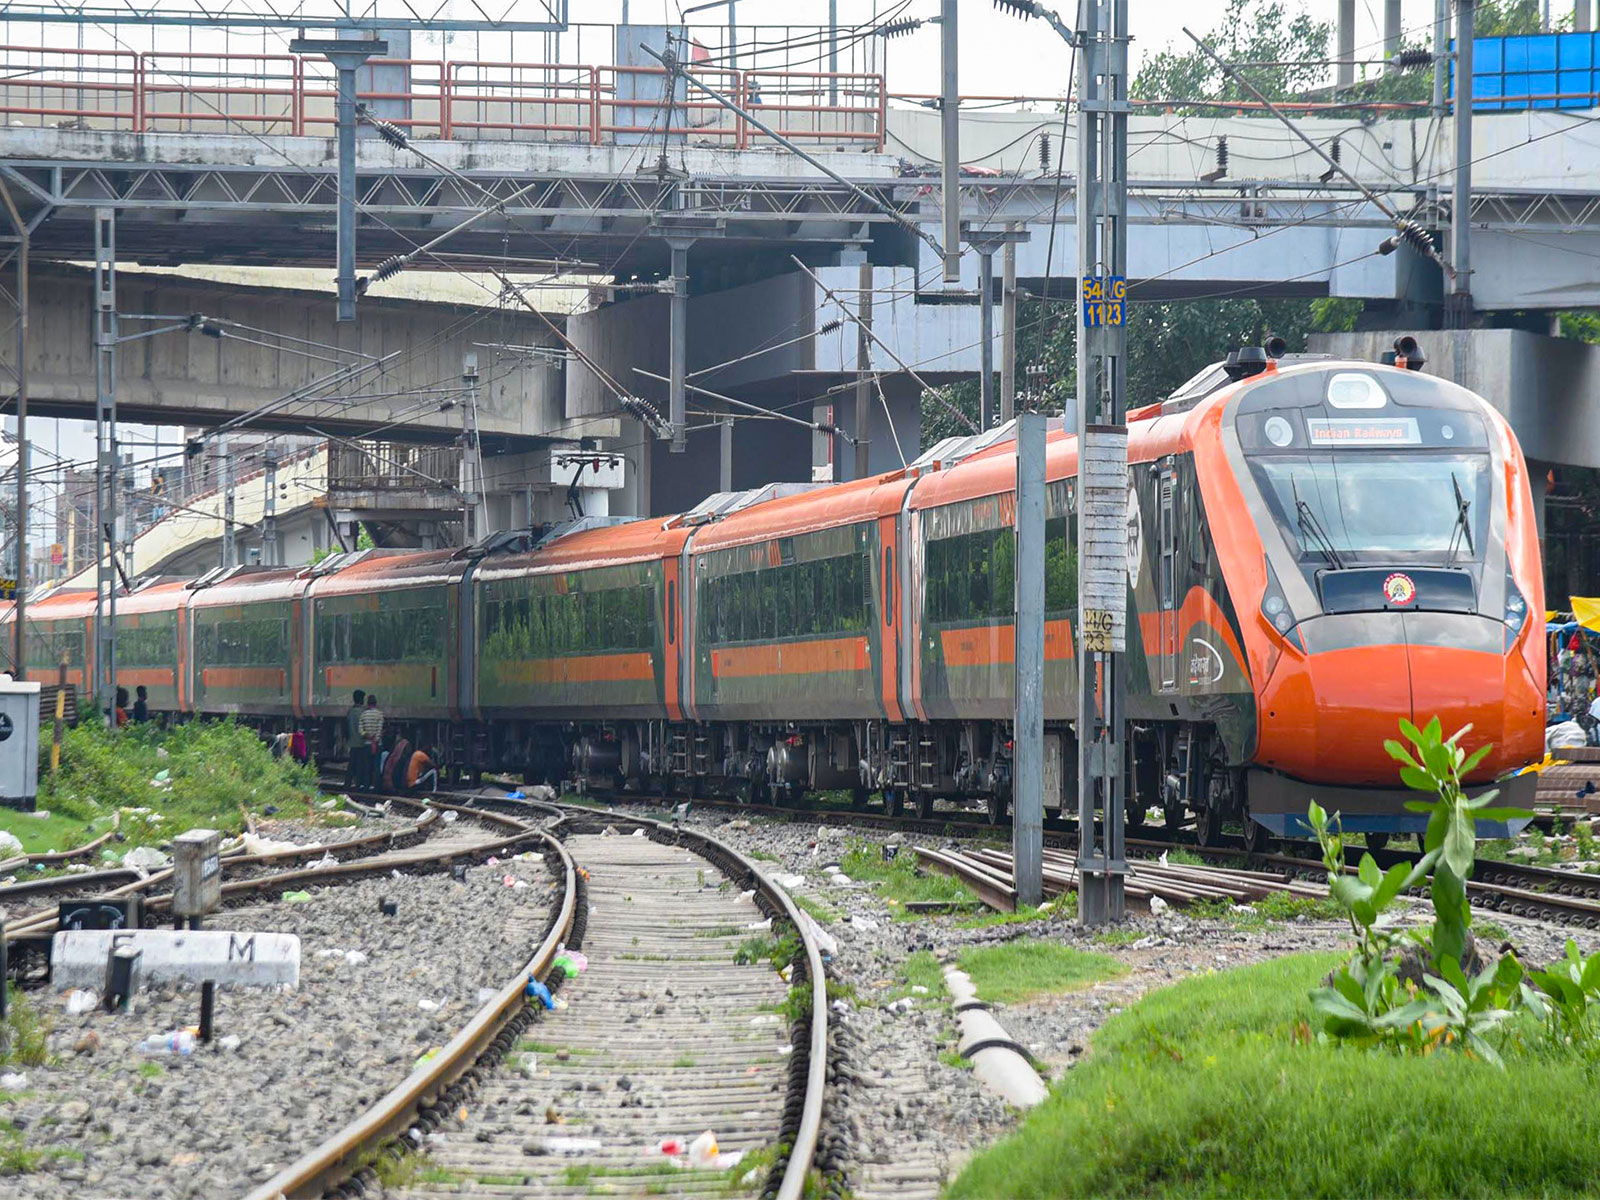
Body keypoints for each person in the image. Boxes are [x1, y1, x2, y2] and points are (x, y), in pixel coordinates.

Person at [358, 694, 385, 787]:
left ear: (368, 704)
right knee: (376, 766)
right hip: (377, 745)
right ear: (375, 703)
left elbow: (360, 731)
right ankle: (376, 786)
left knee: (367, 766)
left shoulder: (363, 715)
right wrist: (375, 740)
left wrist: (367, 736)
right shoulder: (379, 714)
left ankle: (366, 786)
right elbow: (379, 730)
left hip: (367, 744)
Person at [346, 690, 367, 786]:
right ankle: (358, 783)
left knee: (351, 764)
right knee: (360, 765)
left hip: (352, 742)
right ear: (361, 700)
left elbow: (346, 728)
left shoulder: (350, 712)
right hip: (362, 743)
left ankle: (347, 783)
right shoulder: (363, 712)